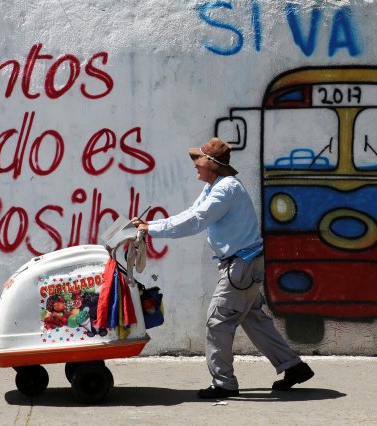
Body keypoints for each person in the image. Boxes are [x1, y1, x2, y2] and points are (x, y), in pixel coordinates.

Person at [132, 137, 314, 399]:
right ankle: (294, 367)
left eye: (199, 161)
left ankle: (224, 383)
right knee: (253, 319)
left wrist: (151, 229)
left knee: (217, 322)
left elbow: (195, 221)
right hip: (245, 264)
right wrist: (149, 224)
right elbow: (190, 214)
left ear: (212, 165)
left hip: (240, 266)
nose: (195, 165)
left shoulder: (224, 189)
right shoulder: (215, 187)